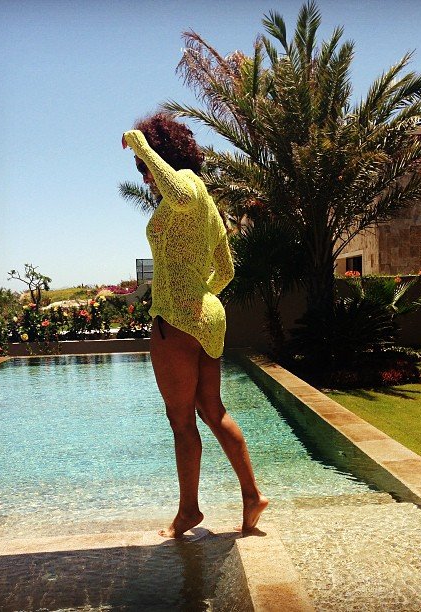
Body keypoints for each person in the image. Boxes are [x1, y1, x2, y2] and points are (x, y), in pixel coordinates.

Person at [122, 114, 269, 538]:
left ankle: (189, 511)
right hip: (208, 314)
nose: (146, 178)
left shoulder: (186, 185)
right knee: (213, 410)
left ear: (162, 157)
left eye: (147, 170)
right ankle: (252, 496)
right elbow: (227, 270)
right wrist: (201, 296)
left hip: (177, 319)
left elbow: (181, 192)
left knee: (182, 421)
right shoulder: (210, 208)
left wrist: (140, 143)